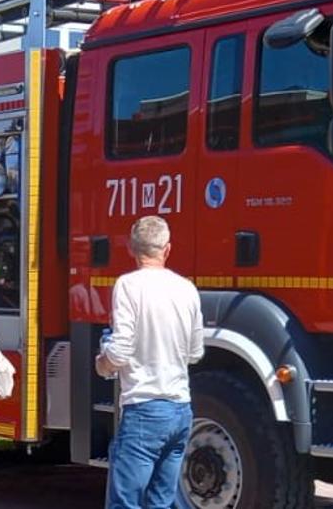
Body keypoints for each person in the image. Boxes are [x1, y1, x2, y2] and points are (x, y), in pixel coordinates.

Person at [95, 216, 204, 509]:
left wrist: (102, 363)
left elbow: (120, 352)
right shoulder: (187, 289)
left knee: (125, 503)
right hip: (180, 408)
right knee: (161, 502)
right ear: (167, 249)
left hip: (143, 407)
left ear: (131, 248)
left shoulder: (128, 285)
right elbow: (195, 352)